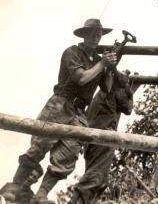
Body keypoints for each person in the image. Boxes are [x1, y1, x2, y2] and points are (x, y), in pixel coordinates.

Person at [0, 18, 117, 204]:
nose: (96, 37)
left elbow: (107, 89)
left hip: (79, 112)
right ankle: (14, 187)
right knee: (39, 147)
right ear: (84, 35)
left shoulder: (97, 60)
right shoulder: (72, 52)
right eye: (92, 33)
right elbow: (81, 78)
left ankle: (41, 195)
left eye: (99, 34)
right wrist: (102, 64)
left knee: (68, 155)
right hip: (61, 104)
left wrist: (110, 69)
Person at [67, 70, 140, 204]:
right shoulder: (111, 91)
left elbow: (122, 104)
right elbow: (128, 108)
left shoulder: (105, 93)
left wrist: (129, 88)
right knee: (95, 178)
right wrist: (130, 90)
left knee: (100, 181)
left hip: (96, 141)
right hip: (102, 139)